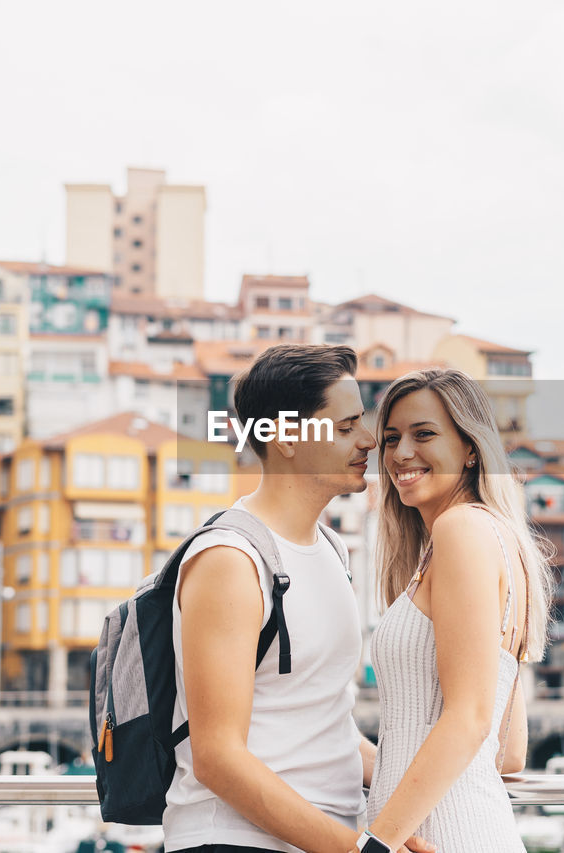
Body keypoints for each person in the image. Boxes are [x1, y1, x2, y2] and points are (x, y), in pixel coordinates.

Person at [166, 343, 433, 853]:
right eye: (345, 426)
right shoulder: (231, 559)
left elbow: (323, 721)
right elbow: (218, 757)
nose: (370, 440)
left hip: (324, 836)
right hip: (235, 841)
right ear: (287, 436)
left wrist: (434, 788)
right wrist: (357, 850)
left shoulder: (331, 548)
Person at [359, 368, 551, 853]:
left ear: (470, 448)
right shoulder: (499, 539)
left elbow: (469, 719)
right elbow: (509, 753)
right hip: (462, 829)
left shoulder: (461, 530)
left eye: (424, 434)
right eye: (390, 438)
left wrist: (374, 844)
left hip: (446, 835)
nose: (401, 453)